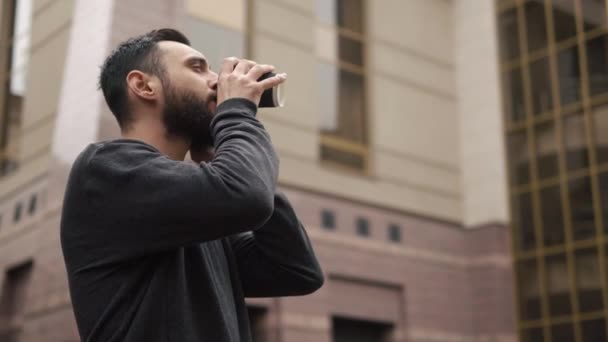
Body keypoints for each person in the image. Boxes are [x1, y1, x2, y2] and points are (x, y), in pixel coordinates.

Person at [60, 28, 324, 342]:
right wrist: (237, 113)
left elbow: (296, 270)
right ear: (143, 85)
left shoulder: (198, 207)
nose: (216, 81)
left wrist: (237, 162)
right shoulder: (104, 169)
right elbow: (247, 196)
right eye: (198, 68)